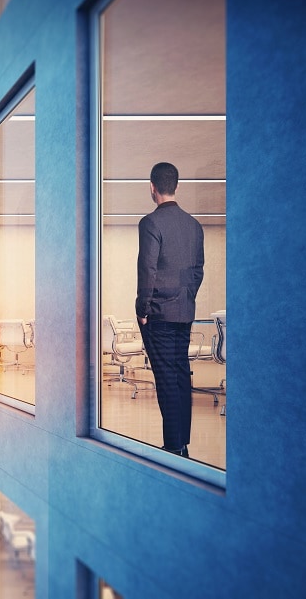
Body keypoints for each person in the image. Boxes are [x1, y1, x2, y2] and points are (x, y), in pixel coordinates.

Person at [136, 162, 204, 457]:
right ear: (176, 186)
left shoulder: (150, 223)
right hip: (184, 311)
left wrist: (143, 307)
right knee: (179, 374)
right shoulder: (194, 225)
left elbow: (148, 270)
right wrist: (185, 297)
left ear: (152, 187)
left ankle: (173, 446)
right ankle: (182, 442)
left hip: (159, 313)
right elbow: (198, 271)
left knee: (165, 377)